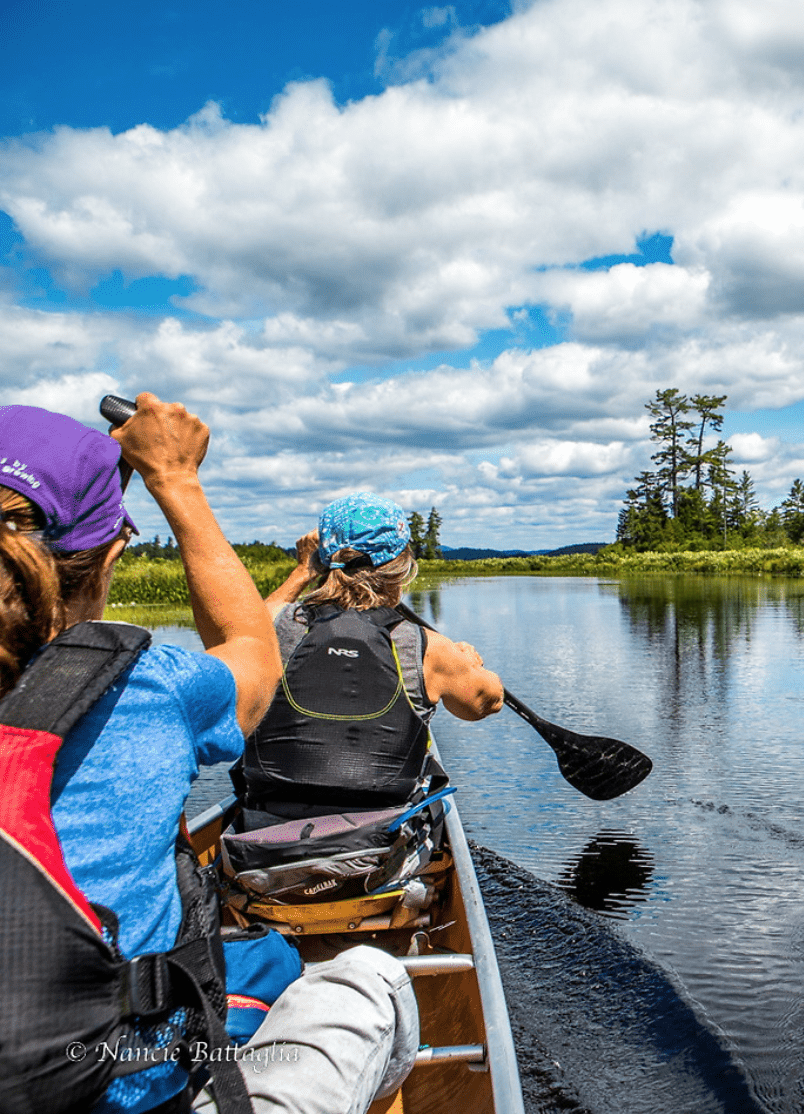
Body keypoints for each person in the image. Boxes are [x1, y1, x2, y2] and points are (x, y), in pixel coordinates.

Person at [0, 397, 416, 1114]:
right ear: (110, 556)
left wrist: (292, 580)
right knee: (371, 981)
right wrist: (175, 479)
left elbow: (266, 627)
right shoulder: (149, 690)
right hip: (133, 1094)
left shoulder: (273, 628)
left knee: (264, 955)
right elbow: (248, 648)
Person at [235, 492, 502, 824]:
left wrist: (301, 573)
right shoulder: (430, 648)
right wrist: (469, 662)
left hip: (267, 840)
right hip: (379, 843)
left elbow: (243, 635)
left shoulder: (274, 630)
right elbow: (484, 704)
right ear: (402, 566)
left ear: (322, 561)